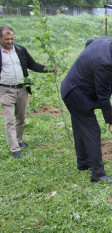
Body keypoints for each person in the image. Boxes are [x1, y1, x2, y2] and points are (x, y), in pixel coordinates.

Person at [61, 34, 112, 183]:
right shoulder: (105, 64)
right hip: (75, 95)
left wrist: (88, 64)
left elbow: (89, 42)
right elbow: (103, 98)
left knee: (80, 127)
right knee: (92, 131)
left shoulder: (105, 40)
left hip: (71, 87)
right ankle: (98, 175)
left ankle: (83, 163)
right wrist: (111, 122)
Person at [0, 26, 58, 158]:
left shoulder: (20, 50)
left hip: (22, 89)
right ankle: (14, 149)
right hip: (5, 90)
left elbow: (33, 65)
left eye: (12, 39)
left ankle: (19, 141)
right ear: (0, 38)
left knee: (21, 118)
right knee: (9, 120)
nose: (10, 41)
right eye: (6, 39)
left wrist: (49, 69)